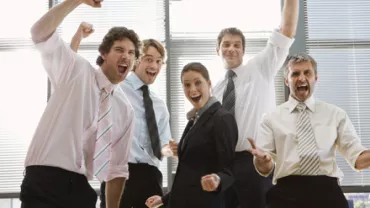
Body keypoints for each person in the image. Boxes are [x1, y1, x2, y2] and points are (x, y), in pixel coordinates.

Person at [20, 1, 141, 208]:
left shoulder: (125, 110)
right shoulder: (76, 70)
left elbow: (117, 169)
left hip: (81, 188)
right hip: (45, 178)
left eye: (131, 53)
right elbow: (39, 32)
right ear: (103, 54)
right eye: (119, 49)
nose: (126, 56)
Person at [248, 52, 370, 208]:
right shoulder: (271, 118)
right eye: (295, 74)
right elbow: (264, 168)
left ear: (315, 78)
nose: (301, 78)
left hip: (327, 193)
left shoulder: (336, 114)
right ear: (287, 80)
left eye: (307, 73)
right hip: (286, 194)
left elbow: (357, 159)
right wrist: (262, 161)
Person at [71, 23, 173, 208]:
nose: (154, 65)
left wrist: (171, 149)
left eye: (159, 61)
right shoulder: (115, 87)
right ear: (137, 60)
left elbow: (162, 145)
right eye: (149, 59)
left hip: (151, 175)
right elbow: (76, 71)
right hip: (120, 173)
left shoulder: (159, 105)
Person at [211, 1, 299, 207]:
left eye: (236, 45)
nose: (231, 49)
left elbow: (286, 31)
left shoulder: (260, 68)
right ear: (218, 50)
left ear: (243, 51)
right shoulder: (215, 90)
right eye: (226, 44)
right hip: (222, 166)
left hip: (254, 162)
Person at [145, 62, 238, 208]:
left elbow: (229, 170)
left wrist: (217, 180)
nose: (192, 89)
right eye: (187, 85)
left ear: (209, 84)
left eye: (198, 83)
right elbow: (189, 174)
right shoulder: (195, 119)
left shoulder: (222, 118)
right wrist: (165, 199)